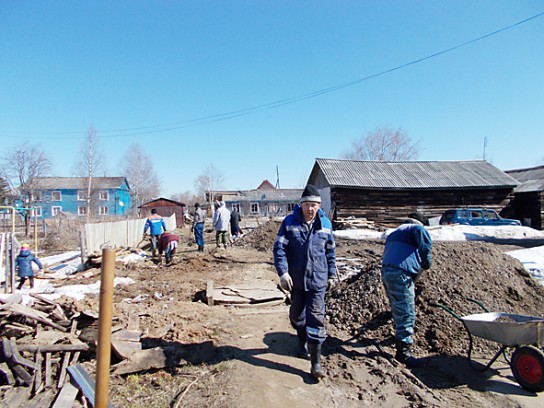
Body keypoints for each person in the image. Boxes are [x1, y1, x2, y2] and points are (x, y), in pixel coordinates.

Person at [273, 184, 337, 379]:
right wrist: (283, 273)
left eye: (315, 205)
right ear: (301, 205)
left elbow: (330, 251)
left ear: (319, 206)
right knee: (296, 316)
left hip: (318, 280)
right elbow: (279, 249)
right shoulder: (289, 222)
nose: (311, 209)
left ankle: (315, 364)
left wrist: (332, 274)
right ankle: (300, 341)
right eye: (308, 204)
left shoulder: (325, 224)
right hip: (297, 281)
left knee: (316, 318)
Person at [381, 211, 432, 368]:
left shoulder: (394, 233)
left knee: (399, 308)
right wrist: (426, 262)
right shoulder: (417, 229)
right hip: (401, 274)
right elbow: (425, 246)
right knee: (407, 312)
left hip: (387, 271)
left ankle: (399, 333)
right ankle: (403, 352)